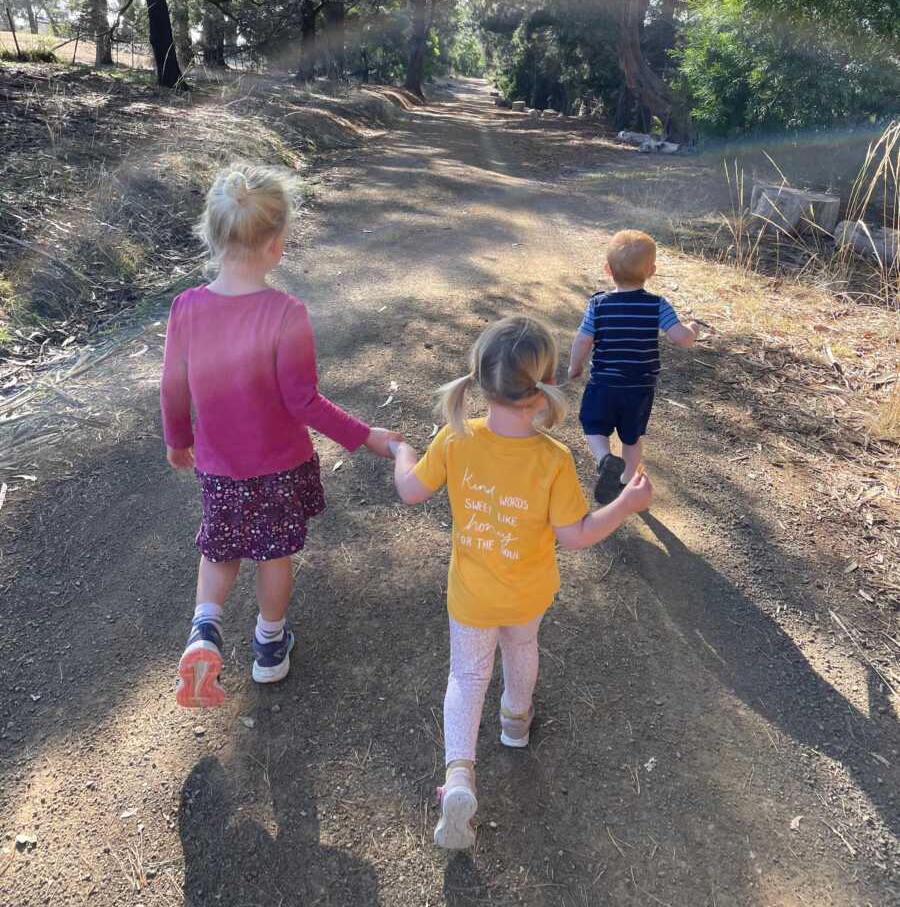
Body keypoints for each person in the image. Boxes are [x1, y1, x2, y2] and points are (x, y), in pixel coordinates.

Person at [388, 317, 652, 849]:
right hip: (528, 592)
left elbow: (411, 493)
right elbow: (575, 536)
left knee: (466, 674)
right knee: (521, 646)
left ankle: (459, 774)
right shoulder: (553, 460)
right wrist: (624, 505)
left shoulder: (455, 439)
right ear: (546, 386)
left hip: (471, 595)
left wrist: (401, 453)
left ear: (481, 382)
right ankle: (514, 721)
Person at [161, 164, 399, 709]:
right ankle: (269, 646)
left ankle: (204, 630)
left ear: (213, 236)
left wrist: (177, 440)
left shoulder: (186, 308)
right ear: (276, 245)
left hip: (219, 468)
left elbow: (174, 387)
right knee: (273, 557)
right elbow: (304, 402)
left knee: (218, 549)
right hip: (278, 468)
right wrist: (367, 437)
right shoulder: (286, 314)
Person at [567, 229, 699, 504]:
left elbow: (583, 339)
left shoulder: (598, 304)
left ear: (607, 269)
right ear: (651, 271)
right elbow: (682, 339)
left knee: (593, 426)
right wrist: (693, 329)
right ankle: (627, 480)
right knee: (632, 438)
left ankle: (605, 459)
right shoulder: (656, 305)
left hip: (603, 383)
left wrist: (574, 366)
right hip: (639, 388)